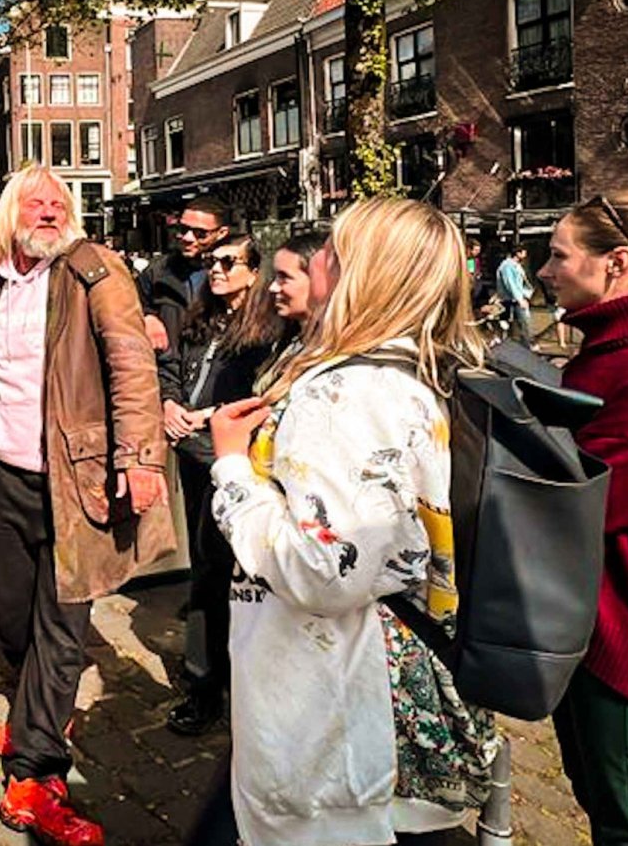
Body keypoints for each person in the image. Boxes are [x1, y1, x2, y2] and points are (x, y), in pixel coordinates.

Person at [209, 198, 499, 846]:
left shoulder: (345, 394)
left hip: (335, 707)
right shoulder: (411, 372)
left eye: (333, 251)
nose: (317, 260)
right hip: (371, 695)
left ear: (362, 275)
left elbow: (325, 571)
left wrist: (232, 470)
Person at [0, 164, 175, 846]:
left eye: (58, 202)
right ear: (9, 214)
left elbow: (132, 362)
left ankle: (35, 776)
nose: (48, 210)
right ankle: (34, 713)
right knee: (13, 619)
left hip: (78, 481)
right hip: (4, 474)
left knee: (62, 628)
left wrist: (142, 459)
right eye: (34, 201)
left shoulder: (91, 268)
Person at [538, 192, 628, 846]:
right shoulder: (615, 350)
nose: (541, 271)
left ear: (617, 263)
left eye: (558, 254)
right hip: (604, 638)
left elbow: (578, 503)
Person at [157, 235, 283, 736]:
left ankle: (214, 686)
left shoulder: (267, 330)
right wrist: (169, 403)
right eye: (212, 262)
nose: (216, 269)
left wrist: (209, 416)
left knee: (224, 573)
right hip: (192, 454)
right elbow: (169, 367)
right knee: (205, 568)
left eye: (229, 262)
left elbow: (266, 394)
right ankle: (208, 682)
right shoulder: (199, 315)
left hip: (230, 455)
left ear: (255, 272)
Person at [137, 196, 230, 352]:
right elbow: (131, 305)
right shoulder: (157, 271)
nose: (187, 238)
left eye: (200, 233)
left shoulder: (237, 274)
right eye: (183, 229)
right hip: (168, 369)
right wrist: (147, 317)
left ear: (221, 233)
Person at [496, 244, 534, 348]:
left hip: (517, 298)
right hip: (510, 299)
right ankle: (525, 345)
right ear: (518, 253)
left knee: (520, 323)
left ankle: (523, 344)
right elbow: (511, 284)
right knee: (519, 323)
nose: (525, 255)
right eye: (524, 252)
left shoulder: (516, 265)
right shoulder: (507, 266)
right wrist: (520, 299)